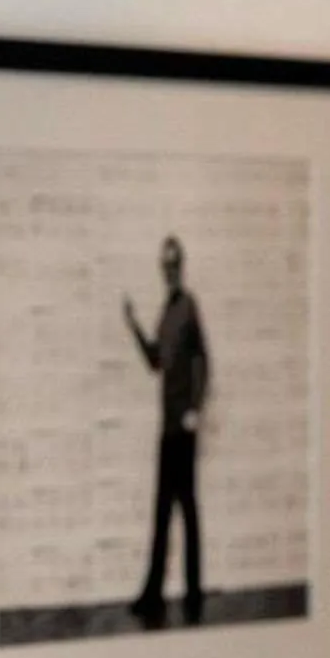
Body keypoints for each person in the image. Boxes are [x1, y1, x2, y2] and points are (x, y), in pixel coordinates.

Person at [124, 235, 211, 627]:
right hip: (166, 427)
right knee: (163, 511)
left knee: (187, 509)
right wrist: (135, 327)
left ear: (183, 266)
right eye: (165, 266)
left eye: (174, 264)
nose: (169, 271)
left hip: (184, 426)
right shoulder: (166, 311)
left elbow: (204, 362)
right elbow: (156, 361)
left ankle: (193, 594)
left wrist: (195, 408)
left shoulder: (190, 307)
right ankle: (152, 593)